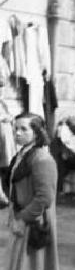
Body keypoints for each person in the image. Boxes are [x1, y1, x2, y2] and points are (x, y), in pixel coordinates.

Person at [0, 113, 59, 270]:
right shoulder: (25, 154)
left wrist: (22, 218)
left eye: (23, 129)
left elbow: (44, 197)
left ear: (37, 132)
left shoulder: (41, 159)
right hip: (29, 217)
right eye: (15, 128)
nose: (17, 133)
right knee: (31, 269)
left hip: (35, 221)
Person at [0, 79, 16, 208]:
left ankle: (3, 195)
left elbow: (10, 116)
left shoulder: (3, 103)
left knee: (4, 168)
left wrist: (9, 118)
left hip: (5, 140)